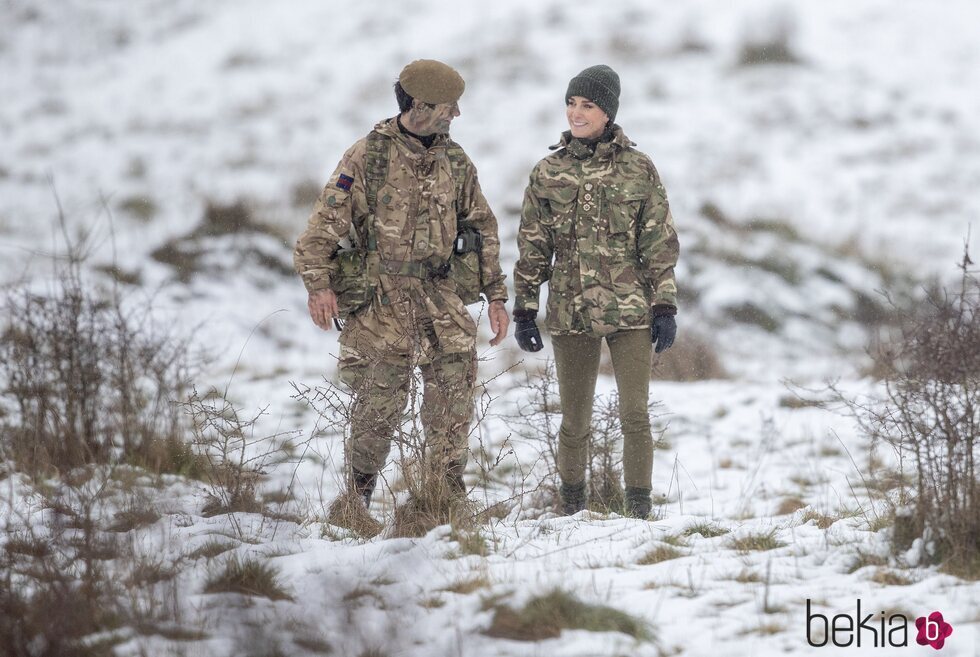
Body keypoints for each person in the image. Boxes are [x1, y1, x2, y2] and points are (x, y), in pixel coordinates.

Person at [294, 59, 509, 509]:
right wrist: (318, 286)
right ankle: (356, 500)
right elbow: (321, 229)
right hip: (381, 304)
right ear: (419, 105)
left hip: (441, 301)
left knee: (452, 404)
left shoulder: (455, 160)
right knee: (377, 409)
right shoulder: (366, 156)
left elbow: (482, 227)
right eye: (450, 107)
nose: (457, 116)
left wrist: (496, 297)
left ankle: (445, 498)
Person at [513, 64, 679, 519]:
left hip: (631, 310)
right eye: (571, 103)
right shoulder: (547, 172)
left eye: (587, 105)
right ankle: (572, 509)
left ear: (607, 112)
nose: (576, 113)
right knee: (574, 422)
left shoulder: (638, 169)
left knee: (635, 416)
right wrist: (525, 309)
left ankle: (639, 512)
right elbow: (532, 245)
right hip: (570, 311)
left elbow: (659, 242)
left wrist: (664, 304)